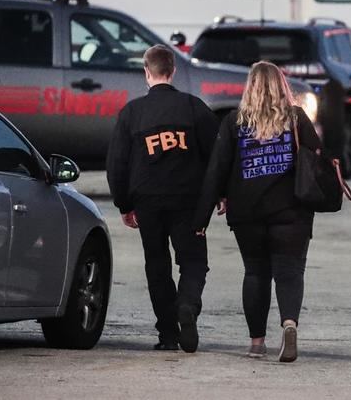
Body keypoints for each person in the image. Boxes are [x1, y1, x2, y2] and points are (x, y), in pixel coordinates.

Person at [193, 60, 321, 363]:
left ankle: (256, 342)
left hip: (248, 213)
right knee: (289, 273)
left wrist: (201, 220)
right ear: (282, 86)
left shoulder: (235, 122)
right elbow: (318, 158)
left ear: (250, 87)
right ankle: (289, 324)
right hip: (291, 211)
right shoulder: (296, 119)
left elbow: (216, 171)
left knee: (255, 274)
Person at [106, 44, 219, 352]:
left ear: (147, 72)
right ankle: (187, 304)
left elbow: (117, 164)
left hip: (148, 201)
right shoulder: (194, 108)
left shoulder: (132, 112)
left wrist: (124, 204)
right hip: (188, 201)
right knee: (194, 262)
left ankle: (168, 335)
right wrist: (219, 194)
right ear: (173, 71)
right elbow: (217, 157)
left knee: (157, 266)